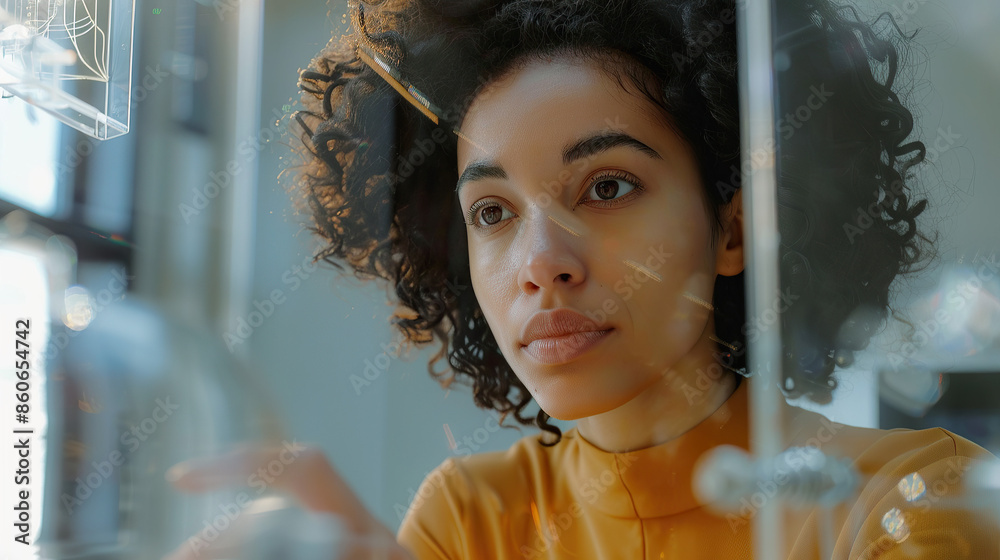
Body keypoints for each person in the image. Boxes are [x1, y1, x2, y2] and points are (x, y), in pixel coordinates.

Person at [165, 0, 1000, 558]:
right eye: (493, 212)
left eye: (606, 187)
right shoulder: (472, 514)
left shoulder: (911, 496)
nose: (539, 263)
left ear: (737, 228)